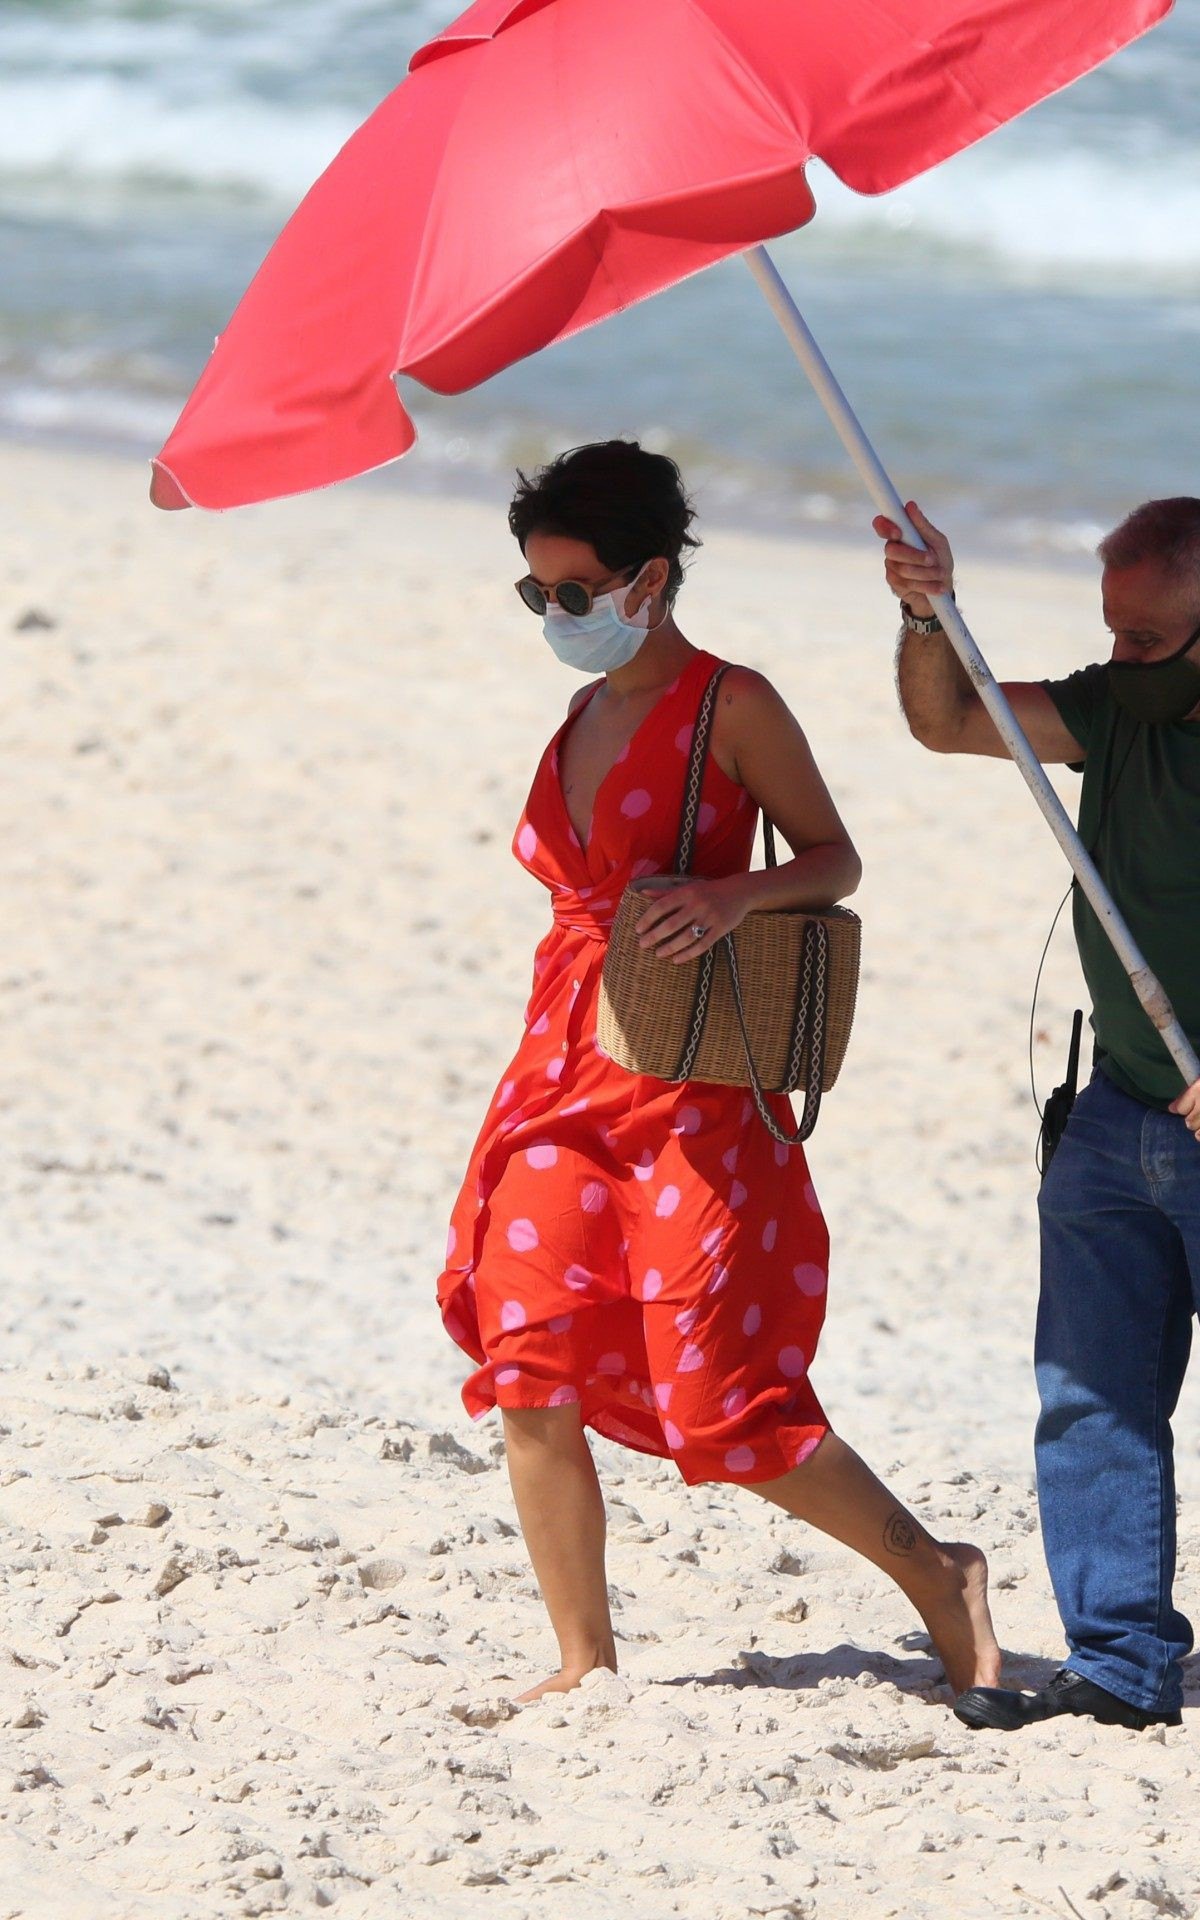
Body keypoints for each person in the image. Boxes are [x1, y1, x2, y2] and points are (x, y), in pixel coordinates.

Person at [437, 439, 1001, 1706]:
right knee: (527, 1356)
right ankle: (585, 1662)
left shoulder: (730, 704)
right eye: (538, 596)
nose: (555, 618)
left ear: (648, 579)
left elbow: (833, 858)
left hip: (691, 1076)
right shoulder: (582, 711)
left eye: (574, 593)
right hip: (563, 1066)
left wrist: (733, 891)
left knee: (724, 1397)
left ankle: (936, 1572)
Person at [875, 496, 1200, 1733]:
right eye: (1111, 635)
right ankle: (1120, 1664)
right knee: (1091, 1394)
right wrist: (925, 611)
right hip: (1119, 1112)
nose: (1118, 664)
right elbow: (948, 720)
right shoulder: (1115, 713)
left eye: (1148, 641)